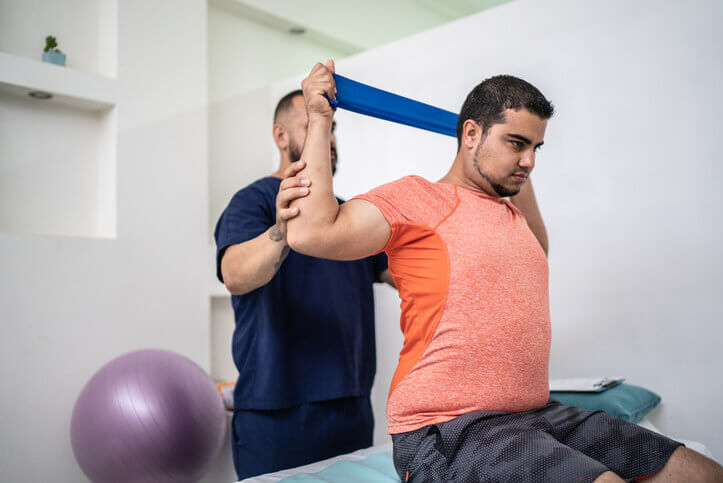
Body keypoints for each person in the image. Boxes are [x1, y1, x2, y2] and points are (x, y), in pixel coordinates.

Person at [285, 60, 723, 482]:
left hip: (536, 415)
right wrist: (320, 118)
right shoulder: (419, 200)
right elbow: (311, 233)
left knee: (701, 474)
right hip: (447, 430)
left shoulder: (511, 216)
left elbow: (538, 249)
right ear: (471, 134)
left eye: (536, 147)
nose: (530, 161)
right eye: (517, 143)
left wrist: (513, 162)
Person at [214, 89, 395, 480]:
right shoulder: (253, 201)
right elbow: (235, 275)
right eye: (314, 124)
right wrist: (283, 229)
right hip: (275, 416)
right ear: (281, 136)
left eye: (332, 128)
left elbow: (405, 272)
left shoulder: (349, 214)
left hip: (351, 410)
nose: (327, 137)